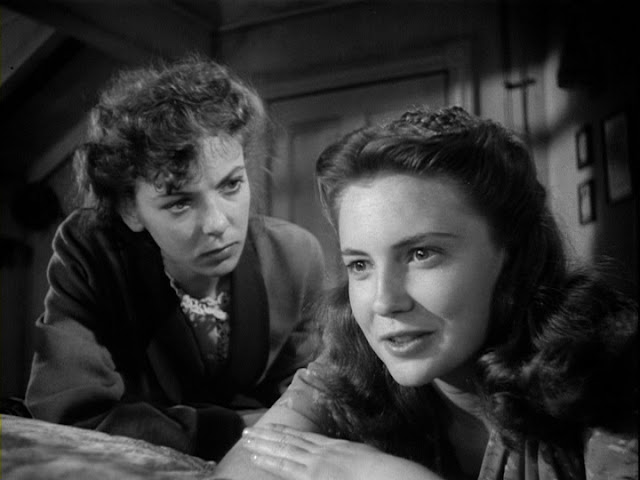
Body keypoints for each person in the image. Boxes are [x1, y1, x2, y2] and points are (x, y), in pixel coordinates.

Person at [216, 106, 638, 479]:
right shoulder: (357, 366)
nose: (384, 302)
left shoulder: (610, 379)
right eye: (360, 265)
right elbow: (245, 468)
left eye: (421, 254)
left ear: (510, 254)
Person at [25, 55, 326, 461]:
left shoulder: (294, 256)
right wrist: (233, 428)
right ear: (130, 209)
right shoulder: (93, 252)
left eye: (231, 185)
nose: (218, 223)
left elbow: (310, 404)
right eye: (180, 203)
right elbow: (69, 413)